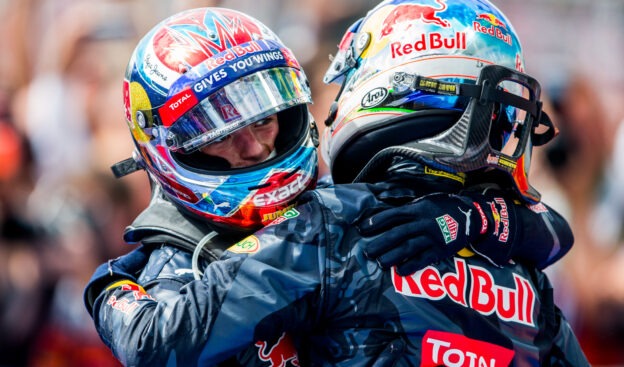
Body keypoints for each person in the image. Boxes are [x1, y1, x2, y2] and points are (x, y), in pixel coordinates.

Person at [84, 3, 587, 366]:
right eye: (222, 131)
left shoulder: (330, 221)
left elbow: (153, 341)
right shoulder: (510, 251)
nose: (256, 146)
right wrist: (480, 219)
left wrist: (106, 285)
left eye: (265, 118)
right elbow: (553, 235)